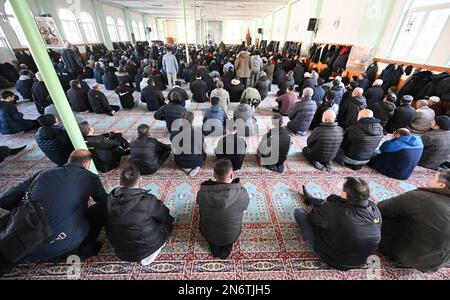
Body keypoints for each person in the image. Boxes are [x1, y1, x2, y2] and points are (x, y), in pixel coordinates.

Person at [0, 150, 108, 267]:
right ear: (87, 163)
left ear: (68, 160)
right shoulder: (91, 177)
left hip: (19, 240)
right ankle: (87, 245)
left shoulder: (43, 173)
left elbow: (5, 200)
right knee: (102, 208)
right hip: (62, 243)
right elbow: (103, 199)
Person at [295, 178, 382, 271]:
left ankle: (312, 201)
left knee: (299, 213)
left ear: (344, 194)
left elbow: (313, 218)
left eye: (342, 188)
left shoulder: (334, 210)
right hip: (362, 261)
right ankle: (312, 199)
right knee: (331, 208)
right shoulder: (375, 209)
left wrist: (327, 206)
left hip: (333, 259)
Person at [377, 170, 450, 273]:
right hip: (434, 264)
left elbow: (381, 208)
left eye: (434, 175)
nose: (431, 176)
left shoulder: (420, 198)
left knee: (375, 217)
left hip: (405, 256)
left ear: (441, 184)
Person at [106, 164, 174, 265]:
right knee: (168, 221)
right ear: (140, 180)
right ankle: (150, 254)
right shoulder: (148, 200)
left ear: (120, 181)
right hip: (147, 246)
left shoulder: (109, 200)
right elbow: (164, 215)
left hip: (121, 252)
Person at [196, 159, 250, 259]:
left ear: (214, 175)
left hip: (209, 233)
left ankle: (215, 243)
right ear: (232, 175)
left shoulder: (202, 193)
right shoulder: (242, 194)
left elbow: (200, 206)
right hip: (231, 235)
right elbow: (245, 207)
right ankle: (227, 243)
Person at [171, 111, 206, 177]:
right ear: (192, 121)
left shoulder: (174, 133)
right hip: (196, 161)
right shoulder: (198, 133)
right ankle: (195, 168)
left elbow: (173, 146)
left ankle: (187, 169)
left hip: (181, 161)